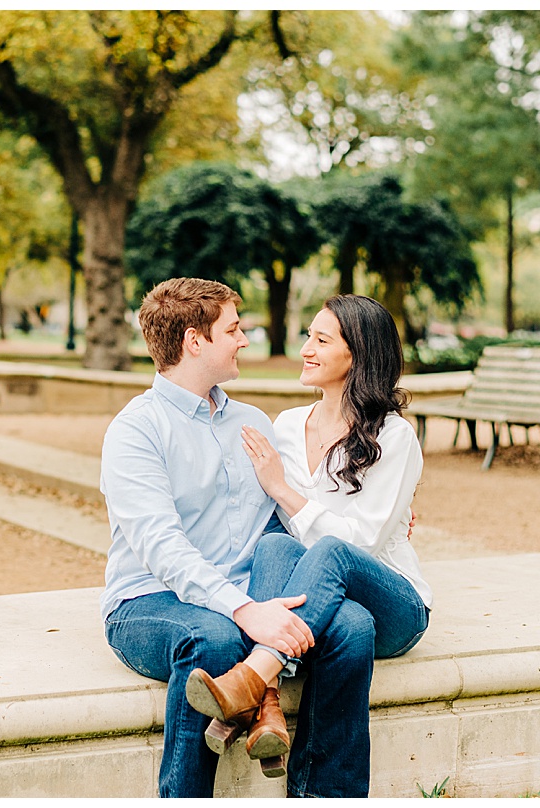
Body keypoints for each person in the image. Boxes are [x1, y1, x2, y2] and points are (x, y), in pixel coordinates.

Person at [101, 277, 352, 797]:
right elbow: (161, 548)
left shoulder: (251, 421)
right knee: (213, 639)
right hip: (150, 600)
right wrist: (245, 610)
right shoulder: (137, 430)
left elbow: (280, 514)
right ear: (195, 341)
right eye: (233, 329)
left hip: (243, 598)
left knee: (350, 625)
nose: (244, 339)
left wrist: (378, 516)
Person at [184, 293, 432, 797]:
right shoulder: (287, 426)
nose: (305, 349)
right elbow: (264, 525)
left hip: (395, 603)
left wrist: (283, 489)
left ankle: (254, 679)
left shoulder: (395, 437)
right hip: (329, 607)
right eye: (308, 337)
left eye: (322, 340)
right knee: (301, 573)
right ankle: (279, 725)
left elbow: (361, 542)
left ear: (358, 355)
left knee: (333, 553)